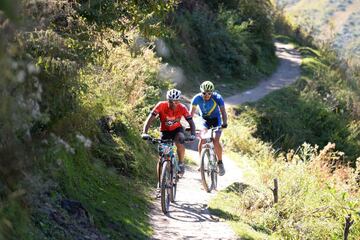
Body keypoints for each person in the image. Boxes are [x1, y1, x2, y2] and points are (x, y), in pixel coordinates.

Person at [142, 89, 196, 178]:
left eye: (176, 102)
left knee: (180, 138)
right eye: (171, 102)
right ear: (168, 100)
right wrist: (145, 132)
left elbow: (191, 122)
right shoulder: (161, 105)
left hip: (177, 130)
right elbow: (150, 119)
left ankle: (181, 163)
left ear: (179, 101)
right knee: (162, 158)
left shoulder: (182, 107)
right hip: (165, 131)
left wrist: (193, 134)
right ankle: (160, 184)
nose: (174, 104)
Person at [190, 81, 228, 176]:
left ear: (212, 92)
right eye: (204, 93)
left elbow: (223, 112)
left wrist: (225, 123)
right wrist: (190, 125)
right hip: (204, 121)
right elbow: (190, 113)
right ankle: (201, 163)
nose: (207, 95)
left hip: (216, 120)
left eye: (209, 93)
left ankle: (220, 163)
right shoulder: (197, 98)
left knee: (215, 140)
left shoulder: (218, 98)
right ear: (201, 92)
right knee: (202, 139)